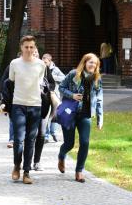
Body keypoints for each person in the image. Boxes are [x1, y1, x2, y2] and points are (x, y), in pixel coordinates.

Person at [0, 36, 46, 185]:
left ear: (35, 48)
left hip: (35, 106)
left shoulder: (41, 65)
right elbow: (10, 83)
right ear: (21, 47)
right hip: (18, 105)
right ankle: (16, 166)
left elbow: (40, 83)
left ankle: (26, 172)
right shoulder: (14, 63)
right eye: (26, 47)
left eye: (31, 47)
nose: (29, 50)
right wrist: (5, 103)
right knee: (18, 139)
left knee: (30, 140)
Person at [58, 53, 104, 183]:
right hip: (70, 113)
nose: (92, 65)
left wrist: (100, 118)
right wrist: (72, 95)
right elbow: (61, 87)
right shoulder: (74, 74)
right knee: (69, 143)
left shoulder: (97, 79)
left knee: (85, 142)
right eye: (90, 62)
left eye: (95, 64)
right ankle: (61, 156)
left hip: (85, 115)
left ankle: (79, 171)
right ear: (85, 63)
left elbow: (99, 99)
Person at [32, 50, 56, 171]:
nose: (35, 55)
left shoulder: (45, 68)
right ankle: (23, 161)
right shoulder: (20, 66)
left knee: (41, 134)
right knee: (29, 135)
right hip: (28, 104)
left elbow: (52, 83)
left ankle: (37, 161)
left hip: (44, 104)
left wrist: (47, 89)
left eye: (36, 54)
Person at [42, 53, 65, 143]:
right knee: (47, 115)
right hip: (45, 95)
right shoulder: (41, 68)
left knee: (54, 115)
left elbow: (64, 78)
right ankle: (46, 135)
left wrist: (52, 77)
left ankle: (53, 132)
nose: (44, 63)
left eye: (46, 62)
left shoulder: (55, 69)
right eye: (43, 61)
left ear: (50, 61)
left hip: (55, 95)